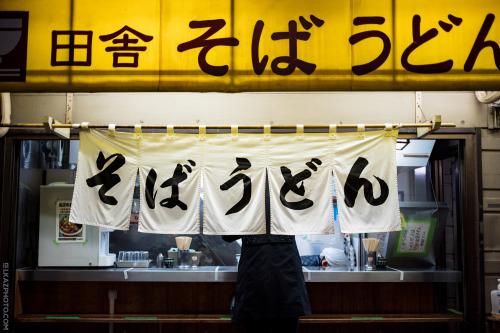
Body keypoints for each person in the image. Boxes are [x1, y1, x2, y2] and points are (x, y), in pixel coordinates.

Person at [222, 178, 311, 333]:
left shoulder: (246, 196)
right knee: (287, 326)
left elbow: (226, 235)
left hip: (255, 276)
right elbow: (312, 220)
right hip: (286, 276)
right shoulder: (288, 191)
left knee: (256, 326)